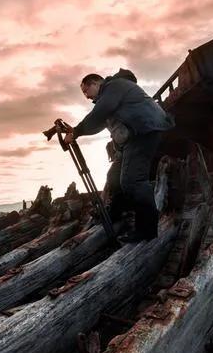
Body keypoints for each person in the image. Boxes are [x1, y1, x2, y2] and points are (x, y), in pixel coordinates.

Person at [64, 71, 175, 243]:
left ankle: (147, 230)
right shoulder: (110, 96)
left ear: (95, 82)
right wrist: (77, 132)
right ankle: (115, 213)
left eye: (86, 91)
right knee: (114, 177)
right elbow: (99, 123)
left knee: (133, 181)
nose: (86, 96)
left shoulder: (113, 87)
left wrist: (77, 131)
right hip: (133, 137)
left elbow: (100, 112)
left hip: (144, 131)